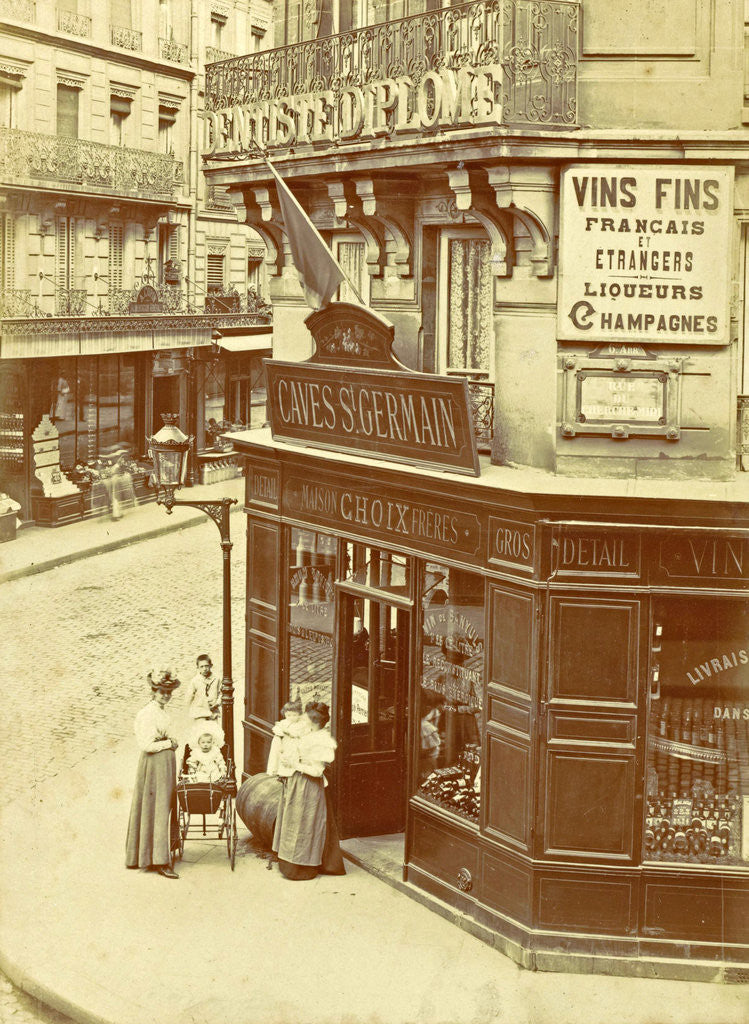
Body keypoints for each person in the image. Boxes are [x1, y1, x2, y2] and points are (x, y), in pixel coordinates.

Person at [271, 701, 345, 880]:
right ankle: (289, 863)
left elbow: (318, 771)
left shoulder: (322, 740)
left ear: (314, 722)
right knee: (293, 822)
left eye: (305, 719)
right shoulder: (309, 734)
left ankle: (302, 867)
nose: (302, 722)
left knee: (306, 825)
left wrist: (294, 764)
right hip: (297, 782)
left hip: (309, 787)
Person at [125, 667, 181, 879]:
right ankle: (158, 860)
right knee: (157, 808)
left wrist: (170, 742)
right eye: (161, 692)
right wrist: (169, 742)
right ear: (153, 691)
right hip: (155, 763)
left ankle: (150, 854)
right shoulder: (147, 713)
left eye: (168, 693)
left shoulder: (161, 710)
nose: (166, 696)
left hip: (164, 763)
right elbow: (147, 744)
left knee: (162, 805)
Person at [266, 697, 308, 776]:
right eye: (289, 715)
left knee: (292, 758)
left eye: (294, 715)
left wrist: (287, 731)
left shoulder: (301, 724)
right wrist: (281, 731)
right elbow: (276, 729)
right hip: (284, 743)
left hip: (295, 744)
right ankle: (279, 772)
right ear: (284, 714)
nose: (291, 717)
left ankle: (291, 773)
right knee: (280, 757)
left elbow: (298, 733)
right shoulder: (283, 722)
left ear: (299, 714)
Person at [187, 654, 220, 721]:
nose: (204, 669)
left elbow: (221, 693)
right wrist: (190, 710)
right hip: (199, 712)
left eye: (206, 666)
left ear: (211, 665)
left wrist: (217, 703)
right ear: (198, 668)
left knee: (212, 730)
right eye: (201, 667)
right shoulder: (195, 680)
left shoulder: (217, 679)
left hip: (213, 712)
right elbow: (189, 697)